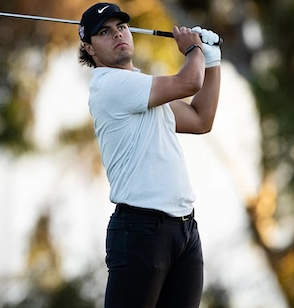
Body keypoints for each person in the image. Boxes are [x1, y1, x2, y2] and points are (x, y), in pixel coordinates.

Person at [77, 2, 221, 308]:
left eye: (121, 27)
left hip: (184, 231)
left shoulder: (143, 89)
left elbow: (200, 119)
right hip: (140, 231)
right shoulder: (110, 85)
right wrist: (194, 50)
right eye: (104, 32)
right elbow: (189, 82)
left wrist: (213, 60)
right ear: (89, 48)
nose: (117, 35)